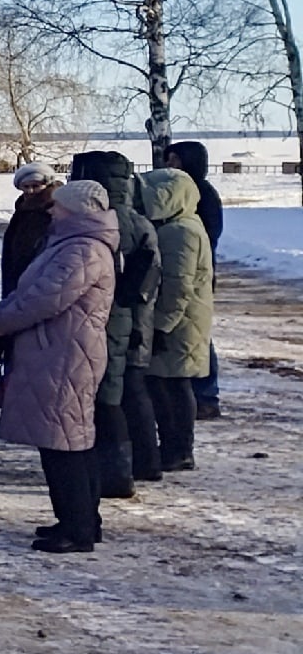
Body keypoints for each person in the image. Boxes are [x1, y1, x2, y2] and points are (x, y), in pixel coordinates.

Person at [0, 180, 117, 554]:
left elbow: (46, 298)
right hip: (58, 351)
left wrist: (2, 320)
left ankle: (79, 528)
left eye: (58, 206)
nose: (50, 209)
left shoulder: (83, 249)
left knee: (67, 443)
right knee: (62, 439)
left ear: (76, 210)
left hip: (66, 355)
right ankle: (77, 520)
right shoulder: (69, 243)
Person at [70, 152, 160, 495]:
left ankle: (115, 475)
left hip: (106, 320)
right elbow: (149, 276)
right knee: (128, 394)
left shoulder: (97, 222)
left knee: (106, 400)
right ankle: (144, 463)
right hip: (136, 318)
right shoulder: (139, 221)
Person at [142, 164, 213, 473]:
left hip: (178, 324)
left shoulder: (180, 231)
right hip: (180, 321)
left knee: (172, 386)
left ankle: (179, 449)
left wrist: (161, 326)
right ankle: (173, 446)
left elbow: (177, 285)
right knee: (166, 384)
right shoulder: (179, 226)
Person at [164, 140, 225, 418]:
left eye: (174, 160)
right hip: (193, 270)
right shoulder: (184, 192)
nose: (169, 165)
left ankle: (205, 394)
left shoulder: (201, 195)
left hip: (196, 273)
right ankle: (195, 393)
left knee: (196, 336)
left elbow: (206, 236)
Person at [1, 164, 59, 295]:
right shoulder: (23, 208)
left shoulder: (53, 208)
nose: (31, 191)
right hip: (19, 271)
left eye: (36, 186)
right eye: (26, 186)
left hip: (41, 276)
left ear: (47, 184)